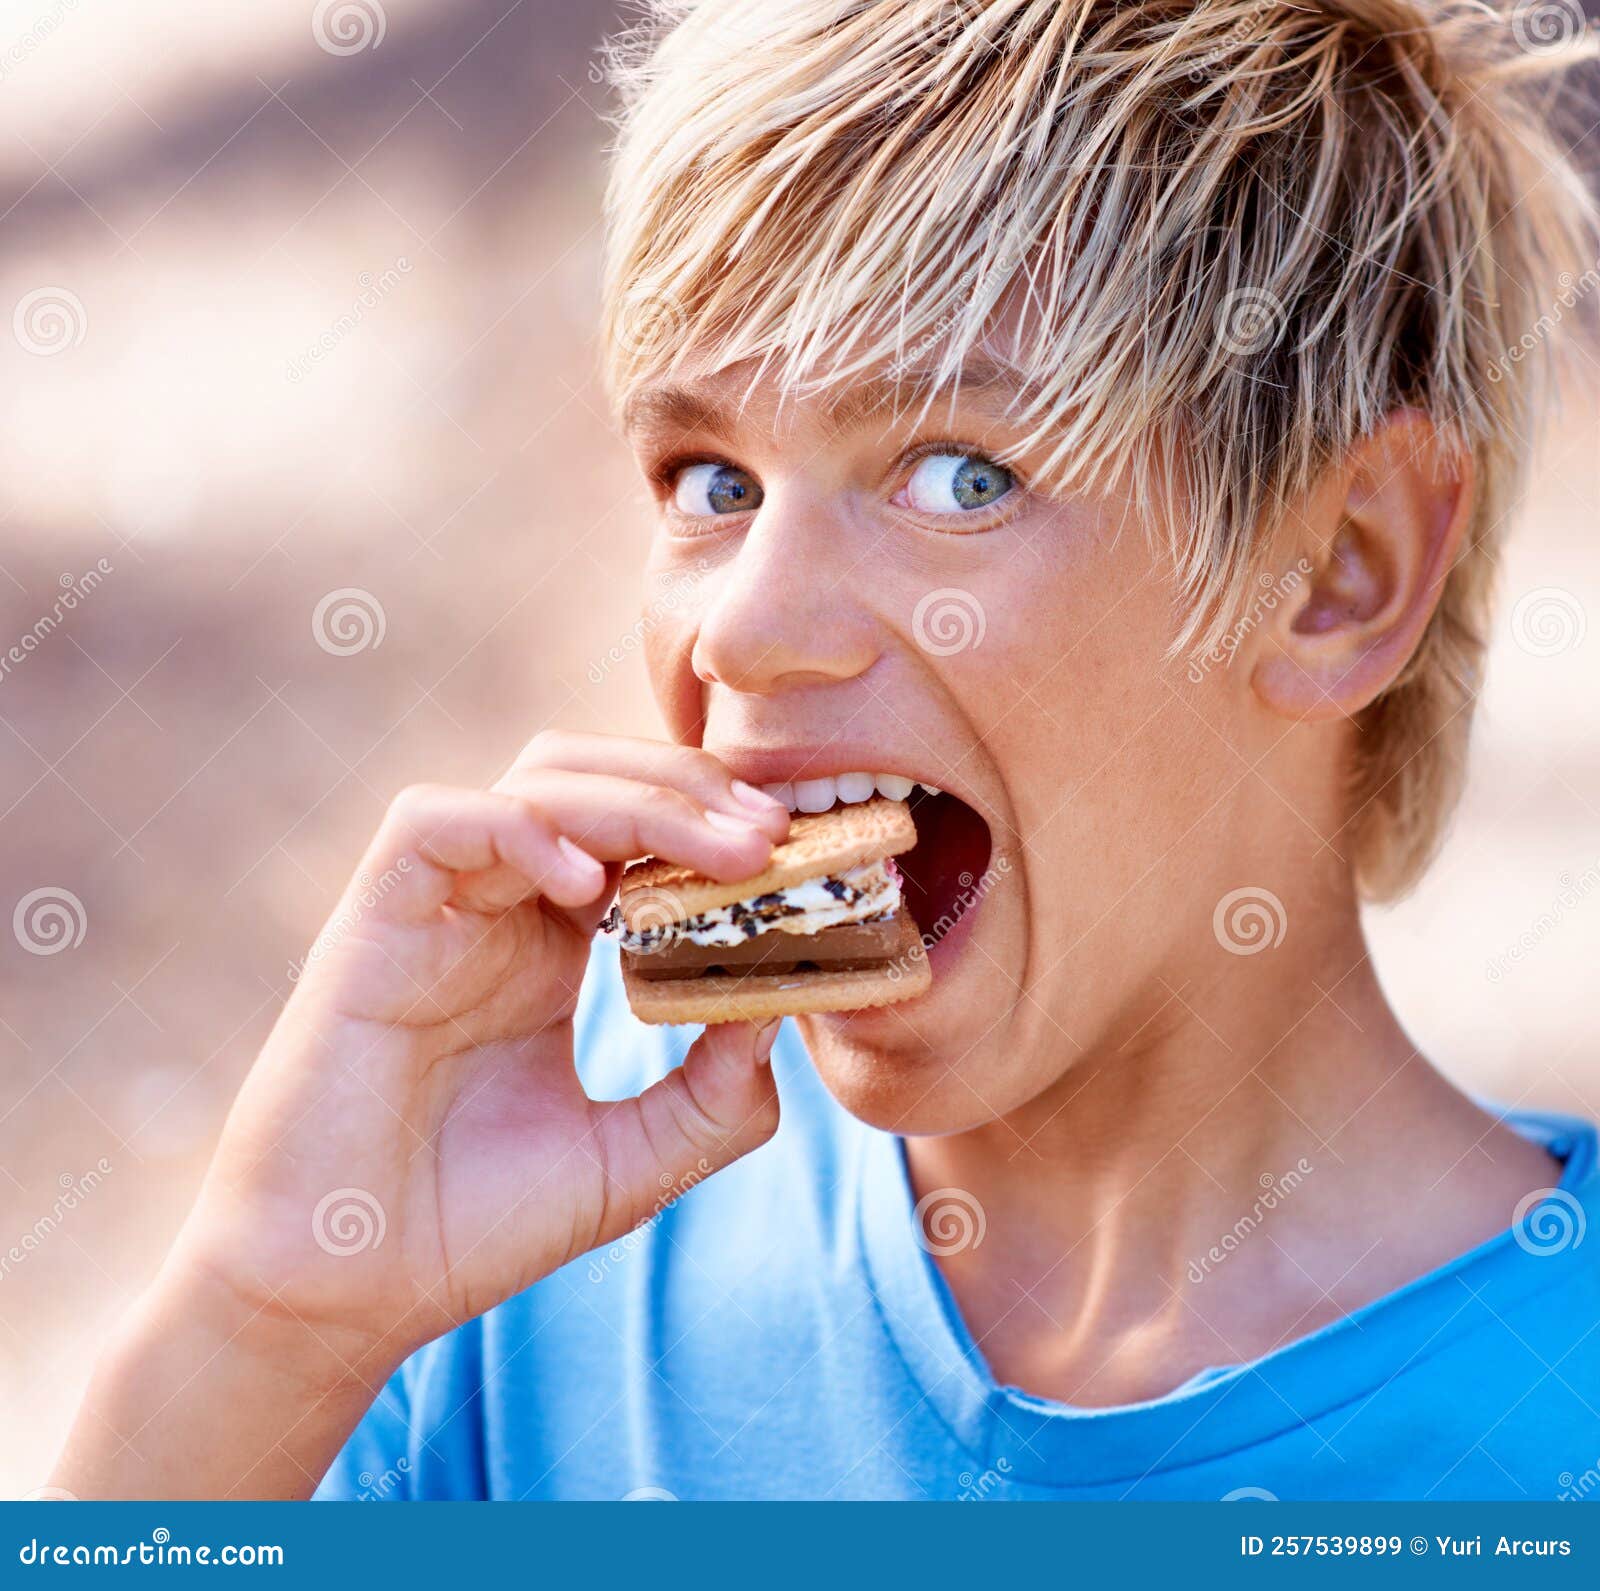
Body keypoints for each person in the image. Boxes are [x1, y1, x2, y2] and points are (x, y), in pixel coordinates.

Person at [51, 0, 1600, 1500]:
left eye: (955, 474)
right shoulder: (520, 1225)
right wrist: (270, 1323)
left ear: (1343, 569)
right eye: (713, 481)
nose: (742, 628)